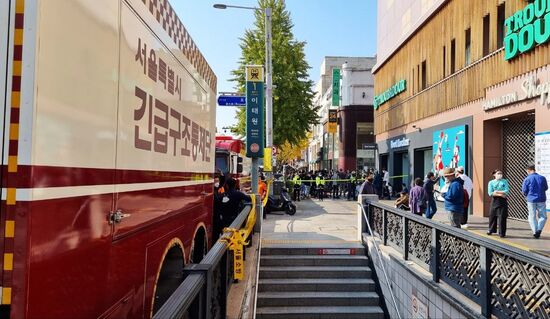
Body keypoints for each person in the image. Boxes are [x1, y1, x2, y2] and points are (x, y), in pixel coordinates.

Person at [522, 164, 548, 239]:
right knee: (543, 216)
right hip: (541, 199)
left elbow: (524, 190)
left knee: (532, 216)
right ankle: (539, 229)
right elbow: (546, 188)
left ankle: (535, 231)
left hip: (531, 200)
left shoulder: (527, 179)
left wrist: (527, 195)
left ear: (528, 170)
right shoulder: (542, 178)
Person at [487, 169, 509, 238]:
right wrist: (501, 194)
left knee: (502, 217)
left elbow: (507, 191)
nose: (500, 175)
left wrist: (497, 192)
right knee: (492, 216)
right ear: (494, 175)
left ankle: (502, 233)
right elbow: (490, 193)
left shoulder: (504, 181)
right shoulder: (491, 182)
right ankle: (491, 230)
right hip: (495, 201)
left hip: (503, 201)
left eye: (501, 173)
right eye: (498, 173)